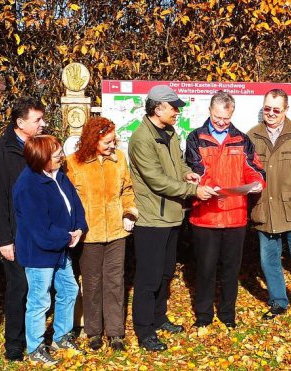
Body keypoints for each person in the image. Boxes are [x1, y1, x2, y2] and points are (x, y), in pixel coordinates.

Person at [129, 85, 217, 351]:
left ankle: (158, 319)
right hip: (152, 219)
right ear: (158, 109)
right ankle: (145, 331)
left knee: (166, 273)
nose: (178, 112)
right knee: (148, 278)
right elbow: (156, 180)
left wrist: (188, 173)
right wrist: (193, 190)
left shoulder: (169, 132)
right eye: (173, 107)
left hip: (171, 217)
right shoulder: (141, 139)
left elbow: (177, 165)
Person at [185, 91, 266, 329]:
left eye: (226, 119)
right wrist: (205, 185)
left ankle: (228, 314)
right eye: (218, 117)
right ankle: (203, 315)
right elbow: (193, 169)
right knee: (205, 269)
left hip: (235, 216)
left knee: (232, 270)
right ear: (210, 111)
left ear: (232, 115)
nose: (221, 123)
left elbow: (255, 168)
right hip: (205, 216)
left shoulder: (242, 139)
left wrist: (257, 183)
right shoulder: (195, 138)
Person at [12, 135, 87, 365]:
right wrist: (67, 237)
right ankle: (35, 348)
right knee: (39, 301)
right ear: (41, 157)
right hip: (39, 253)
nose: (61, 158)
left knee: (69, 290)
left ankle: (61, 336)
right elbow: (39, 228)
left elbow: (75, 206)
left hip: (61, 248)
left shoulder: (59, 176)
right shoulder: (27, 185)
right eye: (55, 155)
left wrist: (79, 228)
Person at [247, 89, 291, 324]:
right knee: (269, 260)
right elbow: (244, 167)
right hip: (264, 209)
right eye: (267, 108)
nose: (270, 113)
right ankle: (278, 302)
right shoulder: (252, 136)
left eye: (276, 110)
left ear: (286, 110)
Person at [65, 117, 138, 351]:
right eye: (107, 141)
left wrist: (129, 213)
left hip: (117, 232)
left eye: (113, 140)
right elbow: (68, 201)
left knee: (115, 282)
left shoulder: (120, 159)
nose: (112, 145)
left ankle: (116, 332)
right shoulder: (73, 163)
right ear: (93, 139)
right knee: (92, 283)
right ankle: (93, 331)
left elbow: (127, 189)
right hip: (89, 234)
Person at [0, 96, 46, 361]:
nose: (42, 124)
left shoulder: (41, 146)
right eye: (37, 120)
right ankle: (14, 343)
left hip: (41, 234)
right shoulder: (1, 151)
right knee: (18, 288)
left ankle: (36, 338)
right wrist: (3, 239)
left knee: (41, 288)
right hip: (15, 235)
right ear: (19, 122)